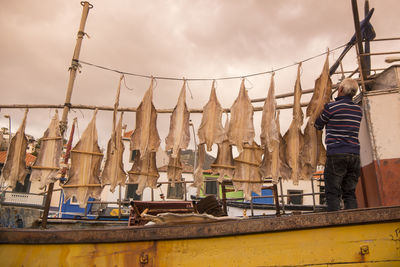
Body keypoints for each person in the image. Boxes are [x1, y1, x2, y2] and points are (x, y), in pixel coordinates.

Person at [314, 78, 363, 212]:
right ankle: (352, 220)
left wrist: (322, 109)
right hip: (354, 155)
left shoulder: (331, 107)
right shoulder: (358, 110)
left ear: (340, 89)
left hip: (337, 154)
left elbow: (318, 124)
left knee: (333, 191)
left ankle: (335, 221)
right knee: (349, 192)